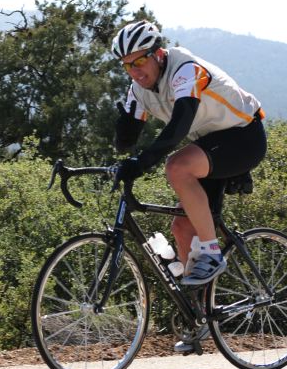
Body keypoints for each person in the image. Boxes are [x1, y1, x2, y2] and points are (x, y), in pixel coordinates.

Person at [111, 20, 267, 351]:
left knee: (177, 166)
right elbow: (125, 140)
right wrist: (123, 124)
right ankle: (199, 318)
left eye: (139, 61)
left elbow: (177, 128)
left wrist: (141, 164)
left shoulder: (185, 70)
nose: (134, 71)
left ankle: (211, 252)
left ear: (159, 54)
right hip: (210, 145)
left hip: (243, 136)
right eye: (126, 65)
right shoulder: (139, 87)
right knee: (182, 227)